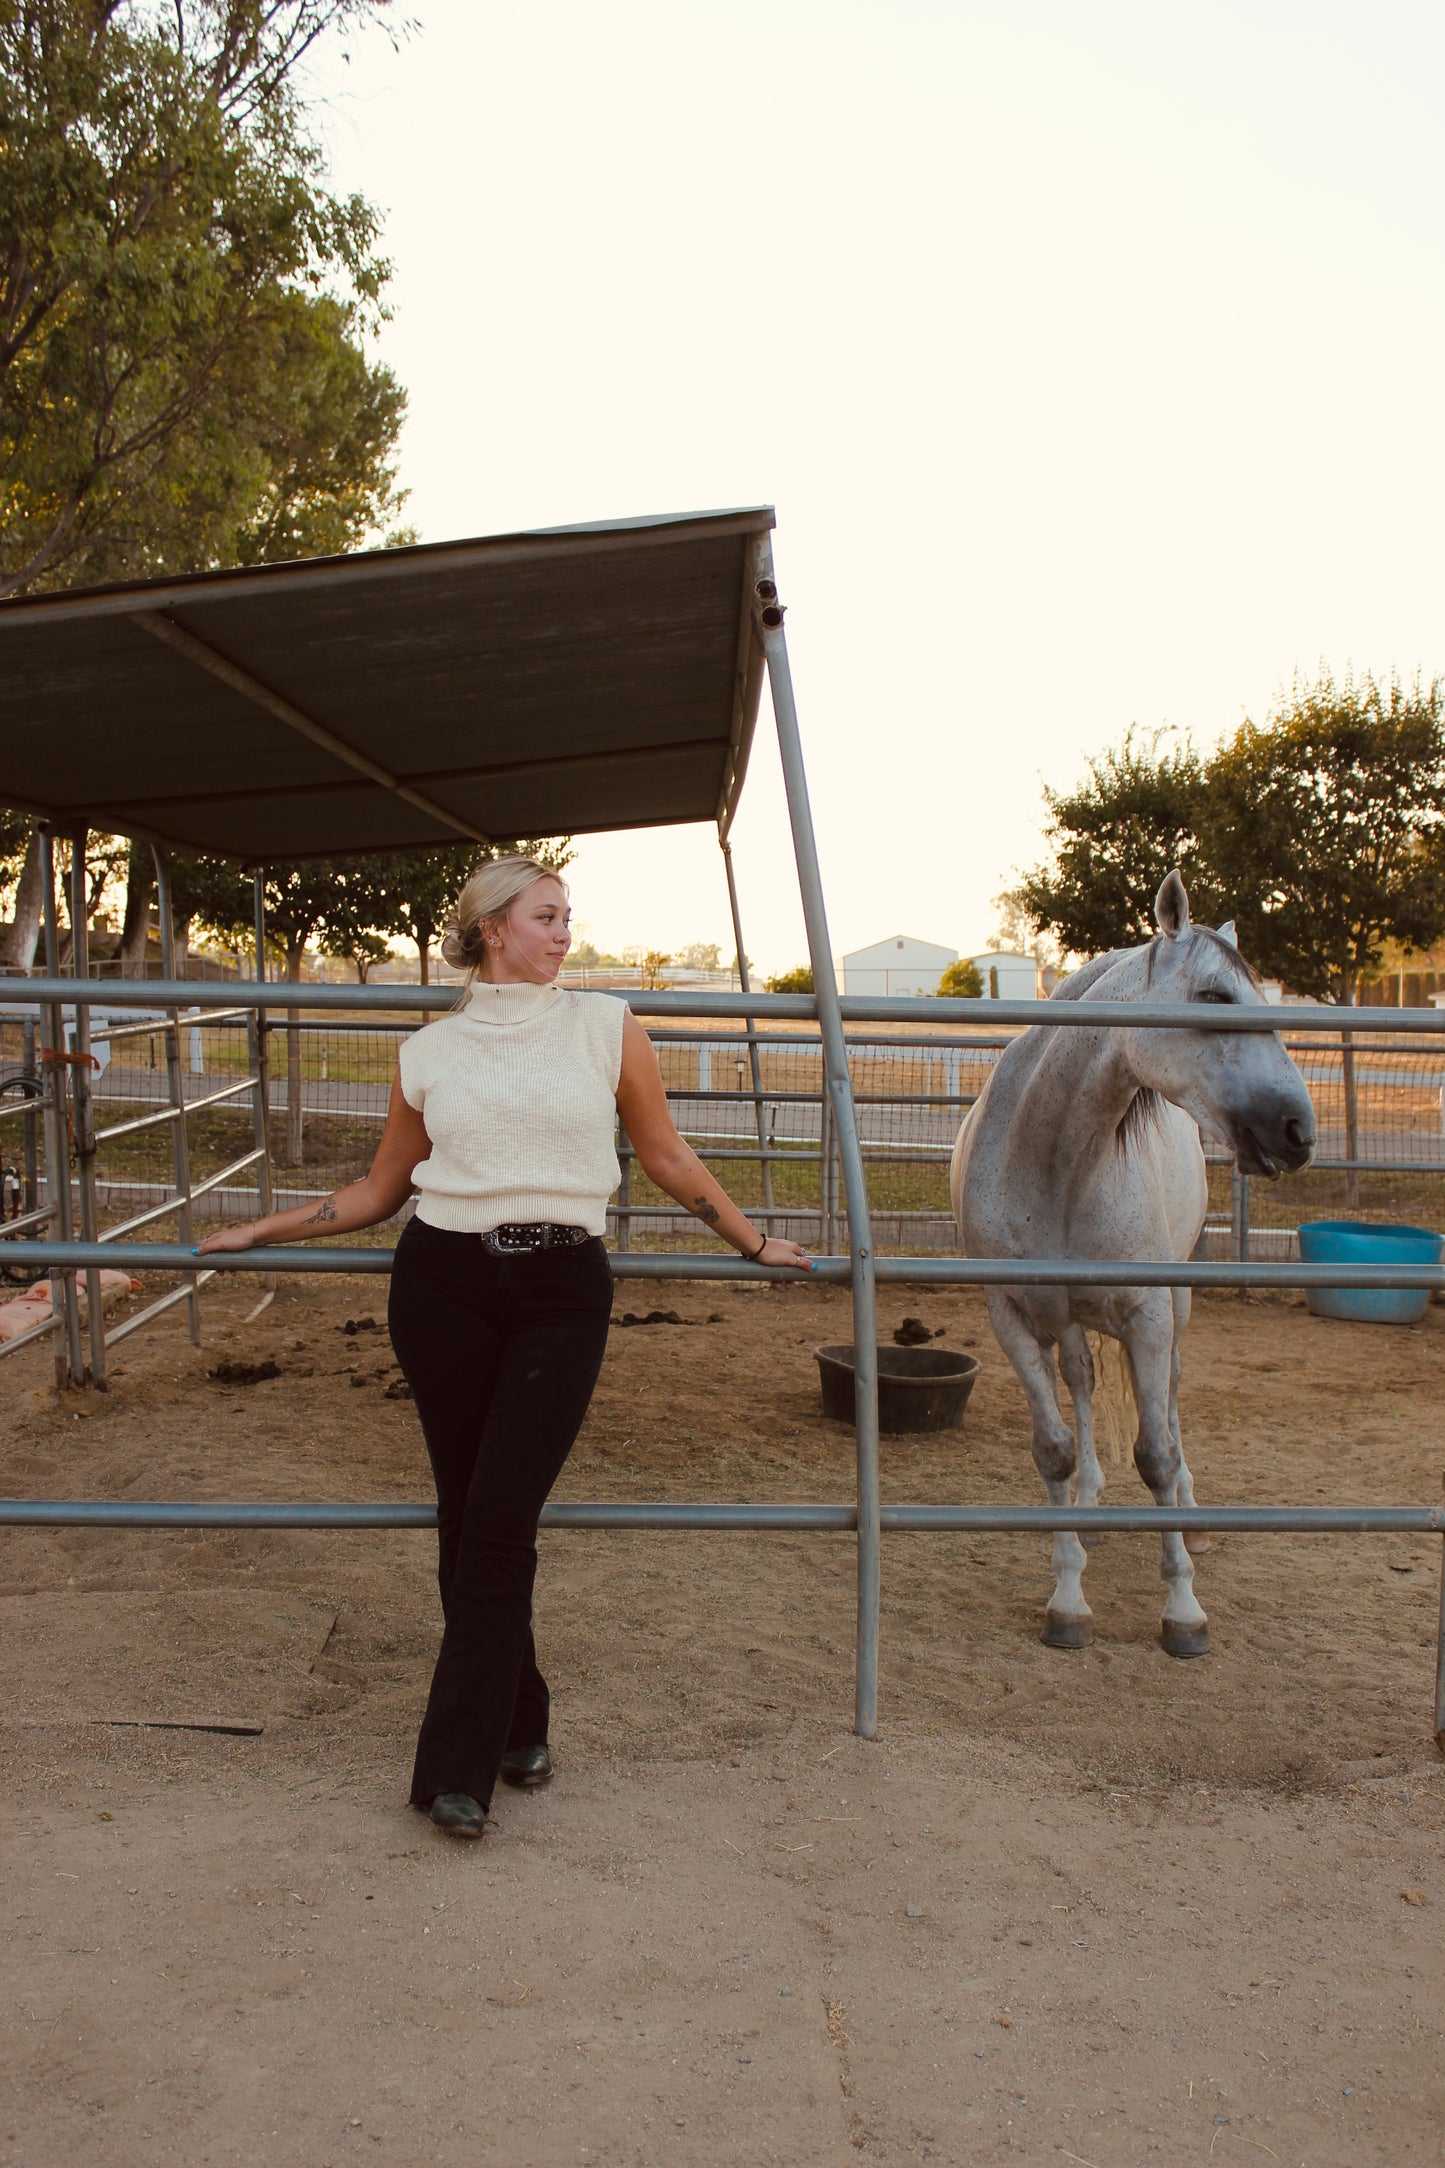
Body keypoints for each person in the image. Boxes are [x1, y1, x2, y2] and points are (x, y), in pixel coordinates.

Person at [198, 857, 811, 1840]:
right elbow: (375, 1190)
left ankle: (457, 1766)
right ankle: (519, 1723)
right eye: (546, 916)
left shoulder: (605, 1026)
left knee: (496, 1515)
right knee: (466, 1512)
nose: (564, 933)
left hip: (559, 1286)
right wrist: (260, 1230)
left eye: (568, 916)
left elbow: (665, 1153)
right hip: (439, 1283)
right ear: (492, 927)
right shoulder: (429, 1050)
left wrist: (750, 1237)